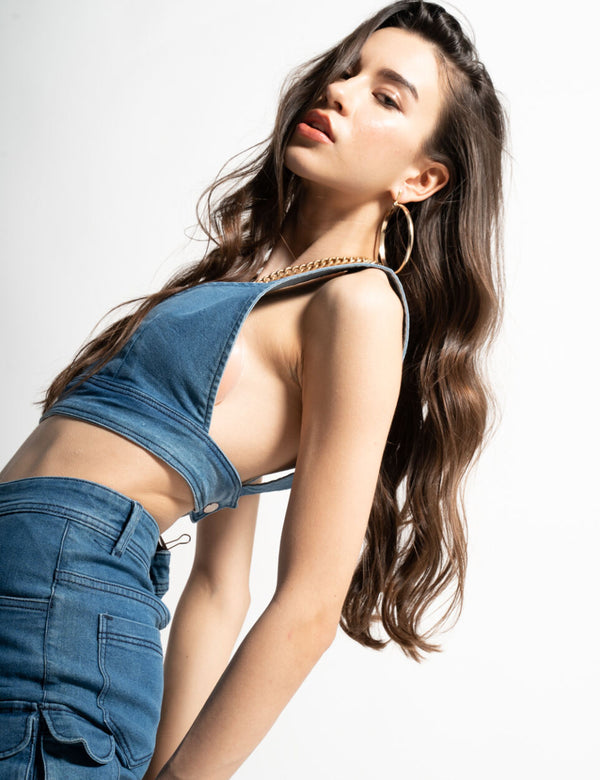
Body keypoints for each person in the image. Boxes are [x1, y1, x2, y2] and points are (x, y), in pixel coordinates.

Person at [0, 1, 507, 778]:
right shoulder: (243, 286)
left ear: (420, 177)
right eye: (346, 71)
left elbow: (309, 602)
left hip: (59, 626)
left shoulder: (360, 304)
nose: (339, 91)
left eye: (385, 95)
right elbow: (215, 588)